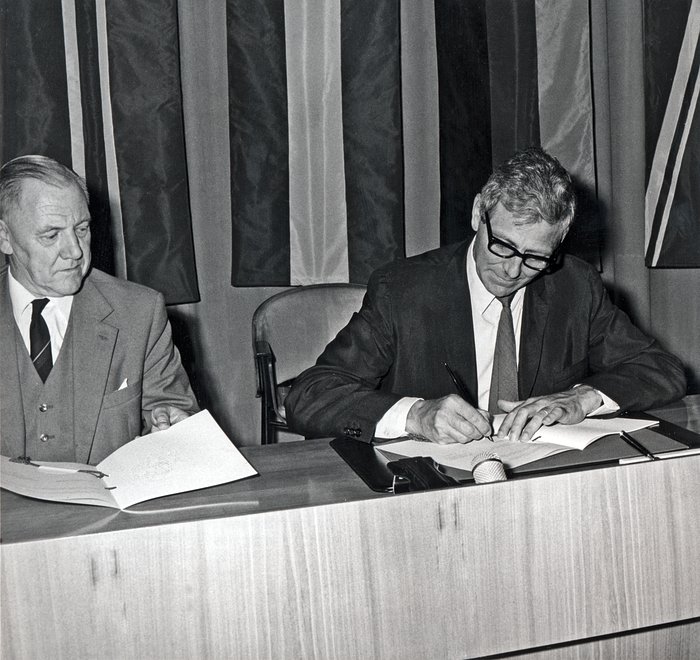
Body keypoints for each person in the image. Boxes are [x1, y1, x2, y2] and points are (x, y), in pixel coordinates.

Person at [285, 147, 686, 444]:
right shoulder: (402, 290)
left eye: (536, 258)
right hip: (431, 493)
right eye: (503, 247)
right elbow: (311, 395)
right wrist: (416, 414)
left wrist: (582, 398)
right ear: (479, 213)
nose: (513, 271)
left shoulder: (575, 286)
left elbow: (660, 369)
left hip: (542, 483)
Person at [0, 155, 198, 464]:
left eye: (81, 229)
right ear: (5, 238)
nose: (75, 251)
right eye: (51, 235)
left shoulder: (139, 312)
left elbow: (174, 411)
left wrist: (170, 424)